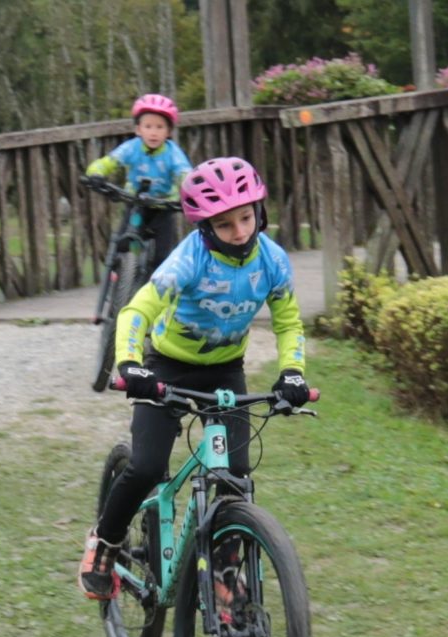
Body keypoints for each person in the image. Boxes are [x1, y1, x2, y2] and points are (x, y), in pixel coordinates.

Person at [78, 155, 310, 600]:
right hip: (167, 365)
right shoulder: (189, 258)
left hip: (225, 370)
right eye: (224, 224)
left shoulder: (273, 260)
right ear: (205, 228)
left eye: (246, 218)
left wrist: (293, 373)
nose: (239, 232)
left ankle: (225, 567)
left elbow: (288, 323)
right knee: (147, 466)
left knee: (235, 474)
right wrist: (129, 363)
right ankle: (105, 541)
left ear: (260, 211)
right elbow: (136, 310)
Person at [85, 93, 191, 270]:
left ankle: (156, 282)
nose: (153, 132)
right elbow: (110, 161)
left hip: (163, 206)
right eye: (148, 126)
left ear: (169, 131)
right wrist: (96, 173)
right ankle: (118, 277)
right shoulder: (131, 147)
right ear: (138, 129)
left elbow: (185, 173)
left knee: (163, 256)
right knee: (121, 245)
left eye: (160, 127)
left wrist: (190, 189)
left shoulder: (173, 153)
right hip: (135, 203)